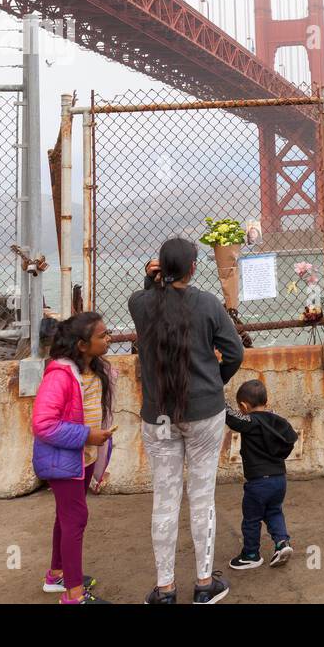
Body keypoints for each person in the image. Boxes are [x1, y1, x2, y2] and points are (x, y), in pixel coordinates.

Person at [129, 237, 245, 604]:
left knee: (164, 500)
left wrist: (152, 282)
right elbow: (235, 352)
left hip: (159, 415)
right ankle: (204, 583)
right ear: (194, 267)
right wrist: (214, 382)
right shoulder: (208, 304)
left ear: (161, 267)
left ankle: (165, 589)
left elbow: (148, 301)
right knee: (201, 497)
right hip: (204, 413)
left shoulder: (140, 303)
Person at [31, 312, 117, 604]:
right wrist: (86, 436)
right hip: (64, 461)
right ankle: (74, 595)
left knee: (66, 517)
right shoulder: (59, 376)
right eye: (102, 336)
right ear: (82, 345)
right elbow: (43, 424)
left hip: (83, 459)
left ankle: (58, 575)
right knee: (75, 519)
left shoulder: (95, 370)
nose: (109, 339)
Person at [225, 379, 298, 570]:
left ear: (244, 406)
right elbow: (291, 438)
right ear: (266, 400)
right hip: (279, 479)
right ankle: (282, 543)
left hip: (258, 483)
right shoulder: (278, 421)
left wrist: (216, 394)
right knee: (274, 511)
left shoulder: (251, 422)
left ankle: (250, 554)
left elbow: (231, 417)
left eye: (241, 408)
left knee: (251, 518)